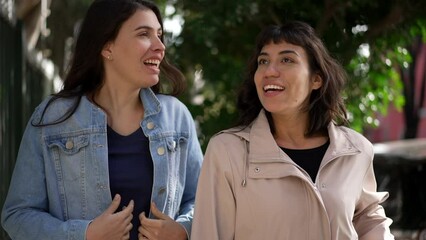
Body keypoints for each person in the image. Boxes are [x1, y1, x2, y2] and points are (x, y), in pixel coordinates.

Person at [1, 0, 203, 239]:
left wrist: (182, 230)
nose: (160, 47)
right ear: (107, 47)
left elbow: (201, 201)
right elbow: (17, 215)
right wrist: (84, 234)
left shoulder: (177, 118)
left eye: (160, 35)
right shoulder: (52, 119)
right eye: (144, 34)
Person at [191, 21, 394, 240]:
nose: (269, 71)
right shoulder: (227, 152)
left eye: (286, 60)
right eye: (263, 61)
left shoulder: (356, 150)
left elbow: (369, 219)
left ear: (316, 79)